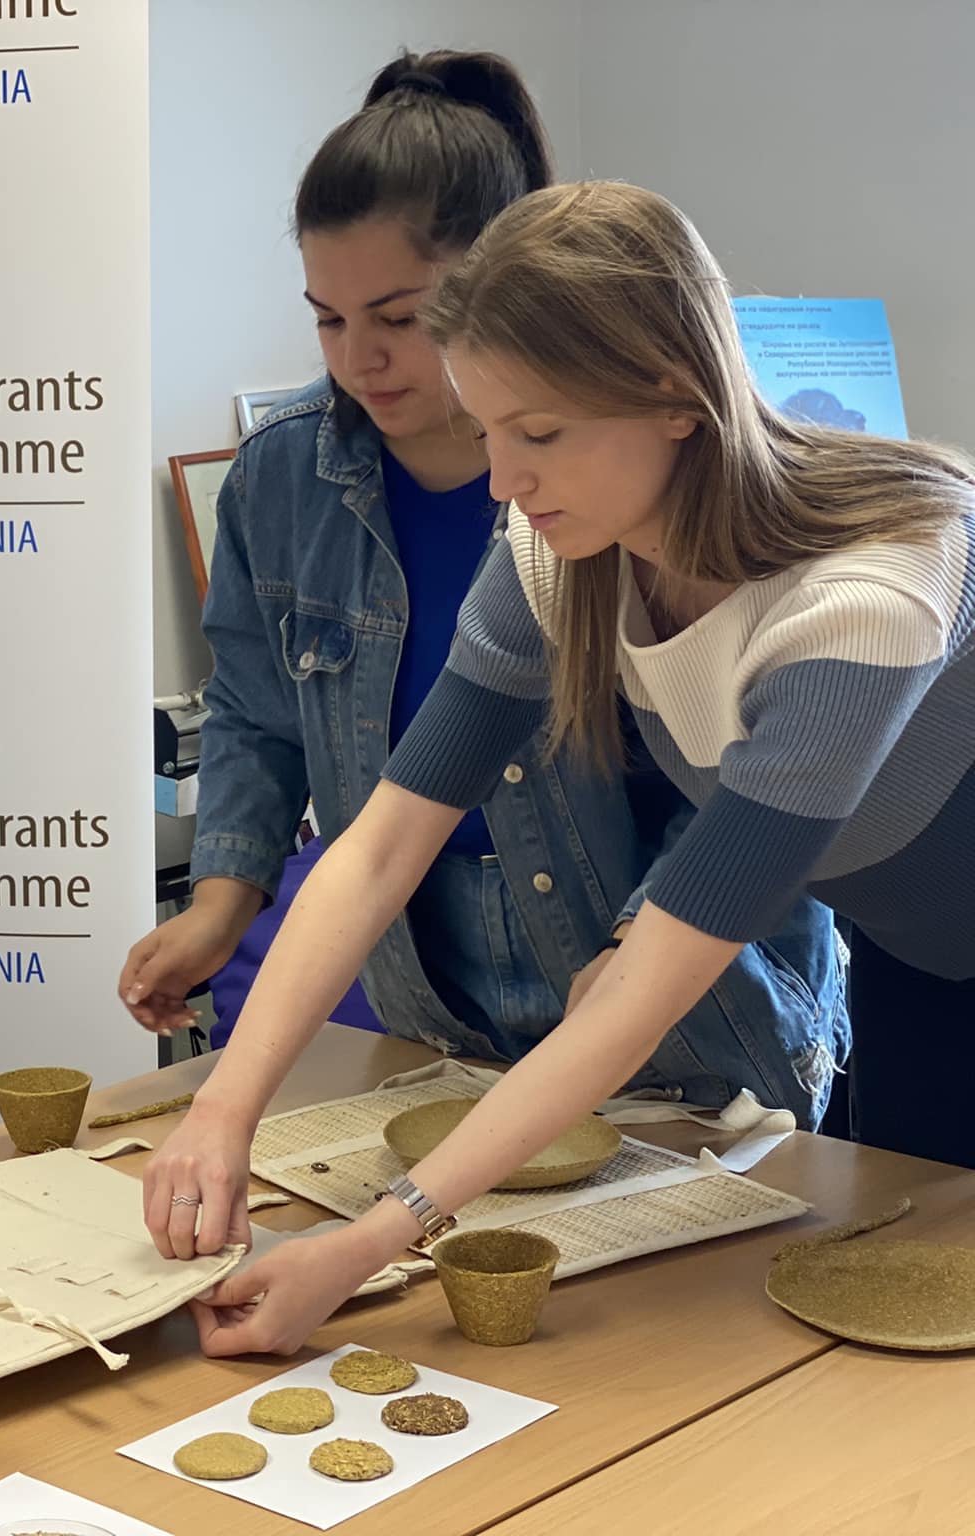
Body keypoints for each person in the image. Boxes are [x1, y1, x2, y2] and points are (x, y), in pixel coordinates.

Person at [151, 175, 975, 1360]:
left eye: (537, 435)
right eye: (485, 430)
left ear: (675, 398)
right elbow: (377, 844)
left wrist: (368, 1243)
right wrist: (221, 1108)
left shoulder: (865, 596)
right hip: (917, 948)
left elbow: (647, 986)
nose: (502, 479)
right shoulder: (562, 552)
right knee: (899, 1293)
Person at [121, 53, 844, 1168]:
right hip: (432, 989)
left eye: (398, 318)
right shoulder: (287, 480)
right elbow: (279, 740)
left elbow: (744, 790)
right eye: (326, 321)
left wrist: (639, 945)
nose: (359, 360)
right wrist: (224, 903)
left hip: (675, 980)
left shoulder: (663, 487)